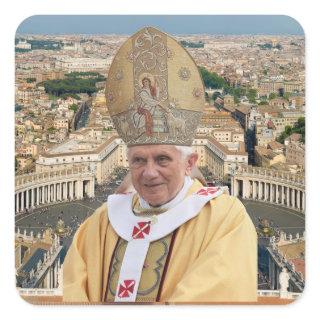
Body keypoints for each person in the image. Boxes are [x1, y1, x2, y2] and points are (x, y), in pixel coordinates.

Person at [63, 26, 257, 304]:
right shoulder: (102, 222)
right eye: (138, 160)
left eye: (162, 159)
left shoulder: (225, 218)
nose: (149, 172)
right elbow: (74, 293)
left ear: (190, 162)